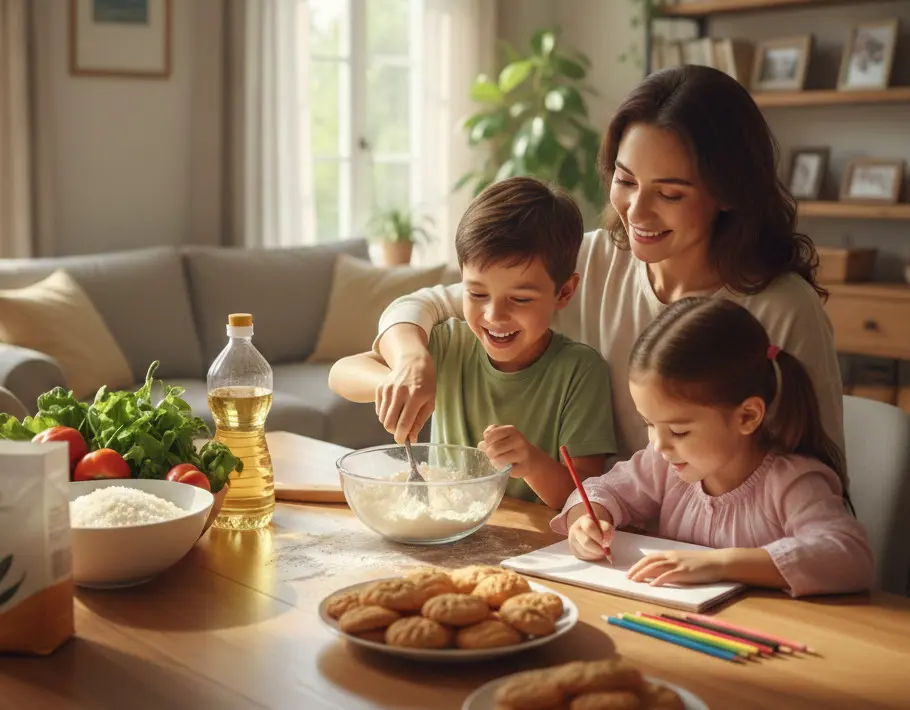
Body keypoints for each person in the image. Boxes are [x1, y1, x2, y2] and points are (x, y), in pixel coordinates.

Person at [368, 65, 845, 479]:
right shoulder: (592, 259)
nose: (637, 211)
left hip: (717, 551)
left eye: (670, 193)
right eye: (625, 180)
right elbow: (420, 306)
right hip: (598, 534)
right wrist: (413, 361)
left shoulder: (782, 308)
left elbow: (818, 482)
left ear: (728, 193)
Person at [552, 298, 873, 598]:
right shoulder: (663, 464)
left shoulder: (792, 483)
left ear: (747, 416)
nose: (658, 444)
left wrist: (719, 564)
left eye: (679, 430)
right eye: (649, 424)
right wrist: (588, 520)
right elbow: (601, 489)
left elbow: (849, 555)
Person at [329, 177, 617, 508]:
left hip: (538, 544)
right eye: (477, 293)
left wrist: (532, 463)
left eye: (520, 299)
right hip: (445, 528)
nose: (495, 315)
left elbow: (585, 497)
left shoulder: (580, 372)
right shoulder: (451, 344)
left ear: (563, 292)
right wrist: (395, 381)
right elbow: (341, 373)